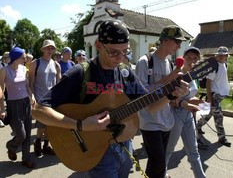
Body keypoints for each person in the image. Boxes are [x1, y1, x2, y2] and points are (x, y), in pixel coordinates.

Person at [32, 19, 188, 177]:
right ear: (98, 45)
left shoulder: (126, 73)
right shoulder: (80, 73)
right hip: (98, 153)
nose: (120, 57)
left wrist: (170, 95)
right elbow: (38, 110)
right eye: (114, 52)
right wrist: (81, 125)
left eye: (125, 52)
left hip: (125, 148)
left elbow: (151, 106)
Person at [135, 25, 187, 178]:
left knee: (157, 163)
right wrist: (169, 78)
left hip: (167, 120)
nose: (179, 45)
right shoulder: (145, 62)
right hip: (149, 121)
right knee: (158, 161)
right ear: (165, 40)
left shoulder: (170, 63)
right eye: (177, 41)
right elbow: (141, 93)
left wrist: (181, 93)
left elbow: (170, 96)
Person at [165, 47, 206, 178]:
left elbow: (189, 96)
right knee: (169, 149)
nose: (192, 61)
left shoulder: (193, 75)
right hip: (175, 115)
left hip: (188, 116)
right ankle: (161, 173)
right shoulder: (177, 74)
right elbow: (171, 100)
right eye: (189, 58)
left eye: (195, 59)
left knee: (193, 151)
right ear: (183, 58)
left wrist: (199, 102)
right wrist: (185, 104)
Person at [0, 47, 36, 168]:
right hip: (13, 104)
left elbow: (26, 86)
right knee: (21, 134)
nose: (26, 58)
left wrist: (32, 96)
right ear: (16, 57)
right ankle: (11, 146)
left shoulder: (23, 68)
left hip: (26, 102)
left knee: (28, 131)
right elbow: (1, 91)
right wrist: (2, 109)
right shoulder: (4, 70)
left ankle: (26, 158)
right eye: (23, 57)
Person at [29, 39, 61, 157]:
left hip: (52, 100)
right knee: (41, 125)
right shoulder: (35, 63)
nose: (50, 49)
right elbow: (31, 83)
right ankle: (37, 143)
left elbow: (59, 84)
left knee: (51, 125)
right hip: (40, 100)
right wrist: (32, 98)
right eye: (47, 47)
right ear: (43, 49)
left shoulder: (56, 65)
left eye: (52, 48)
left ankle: (46, 146)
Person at [196, 46, 231, 147]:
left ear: (227, 56)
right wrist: (209, 98)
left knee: (207, 113)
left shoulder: (225, 65)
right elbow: (208, 82)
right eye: (219, 54)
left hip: (220, 95)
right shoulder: (214, 66)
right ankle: (222, 138)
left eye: (223, 55)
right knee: (219, 116)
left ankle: (197, 126)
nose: (221, 56)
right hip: (214, 94)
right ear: (216, 55)